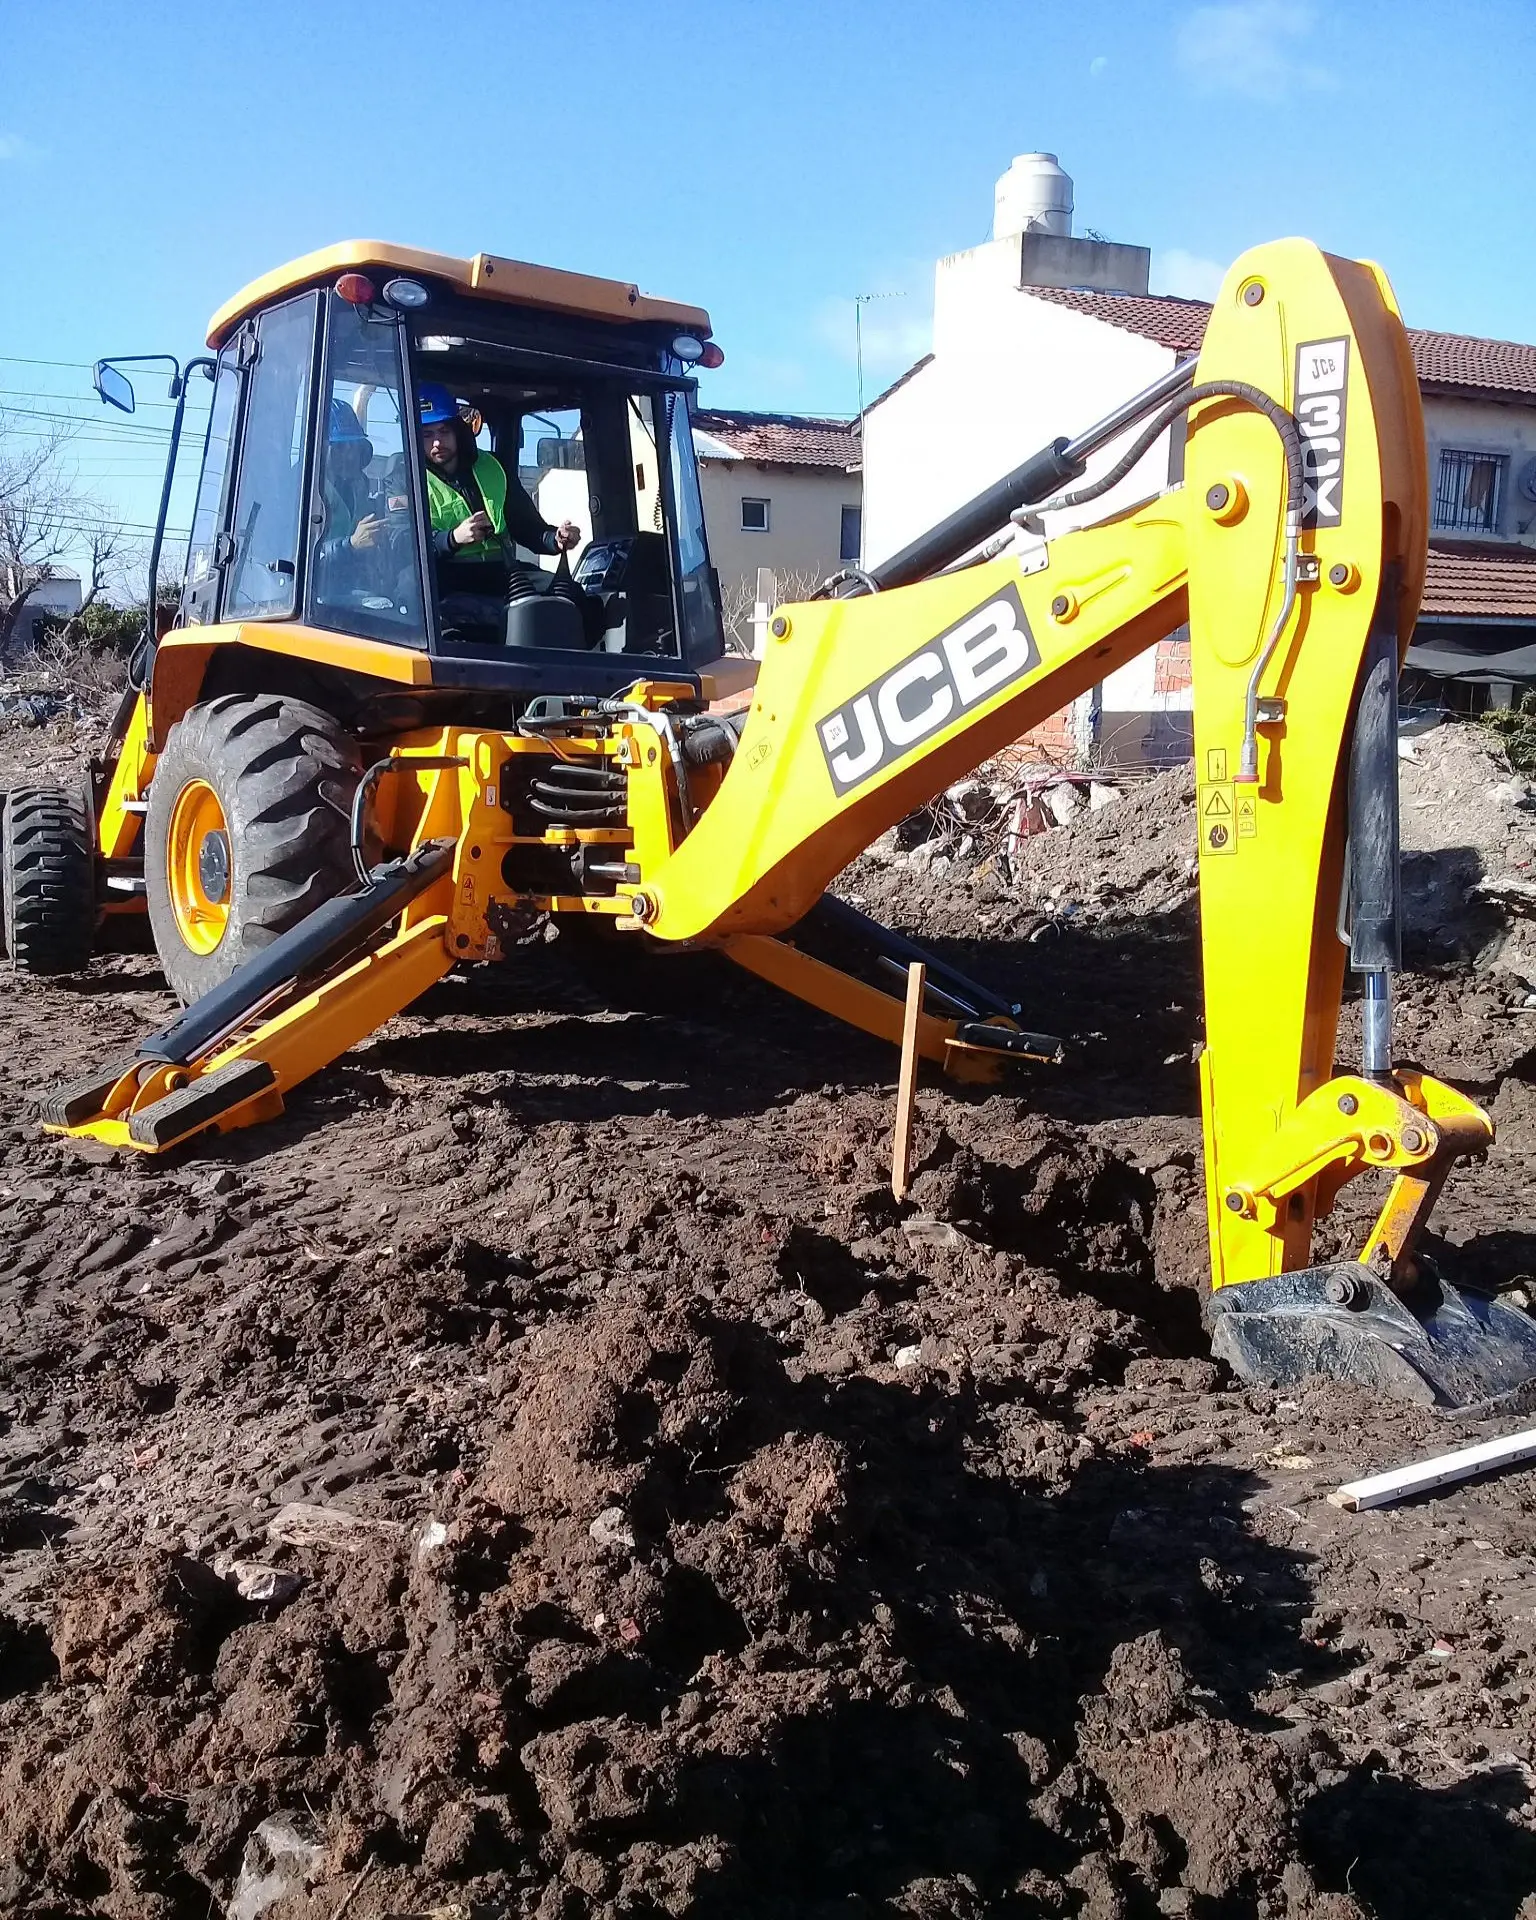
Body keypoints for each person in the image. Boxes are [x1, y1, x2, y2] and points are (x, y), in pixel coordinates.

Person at [418, 384, 589, 636]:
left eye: (444, 431)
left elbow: (528, 527)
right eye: (427, 434)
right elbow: (403, 544)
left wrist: (556, 539)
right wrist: (453, 539)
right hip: (445, 577)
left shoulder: (493, 468)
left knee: (574, 600)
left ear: (457, 430)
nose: (437, 442)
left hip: (500, 571)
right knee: (447, 618)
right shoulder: (407, 476)